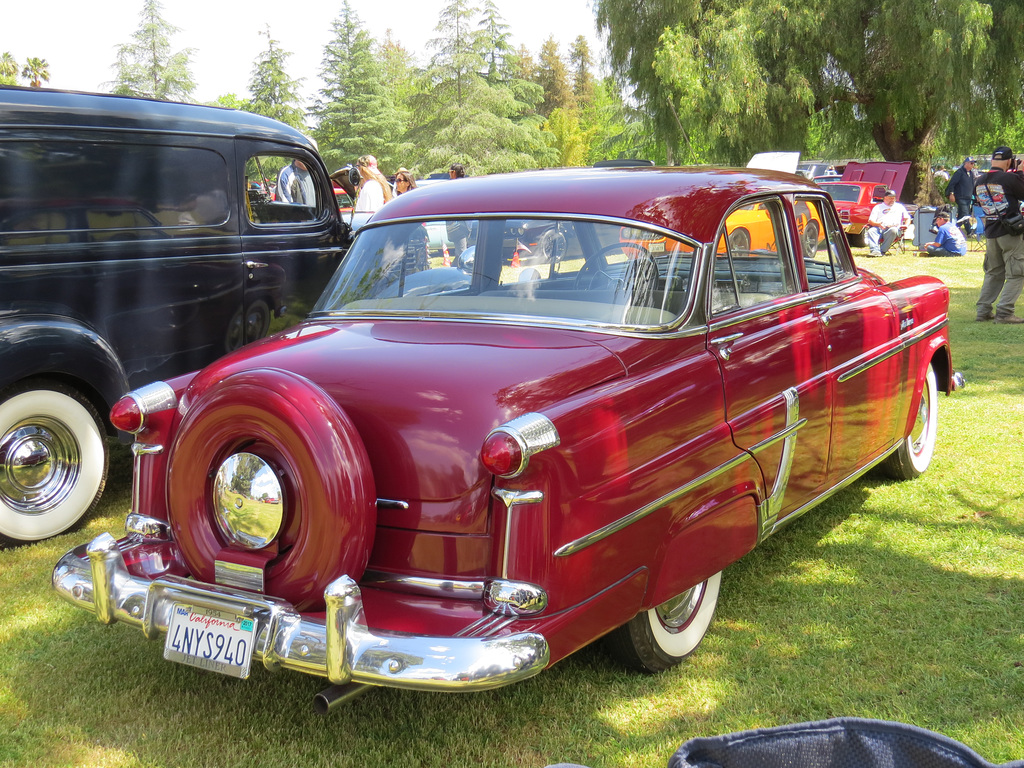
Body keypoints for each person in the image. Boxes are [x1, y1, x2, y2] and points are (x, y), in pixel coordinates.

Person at [972, 145, 1024, 324]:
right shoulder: (1010, 178)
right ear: (1009, 161)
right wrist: (1021, 173)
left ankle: (983, 310)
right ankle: (1005, 312)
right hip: (1010, 232)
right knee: (1017, 272)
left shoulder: (979, 180)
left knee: (993, 272)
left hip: (991, 231)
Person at [865, 188, 909, 257]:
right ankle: (875, 251)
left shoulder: (899, 207)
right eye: (890, 198)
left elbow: (907, 218)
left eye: (893, 198)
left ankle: (882, 251)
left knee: (893, 230)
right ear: (885, 198)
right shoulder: (878, 207)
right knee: (871, 231)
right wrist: (878, 224)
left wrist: (906, 225)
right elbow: (871, 221)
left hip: (894, 229)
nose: (892, 200)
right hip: (879, 228)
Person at [945, 156, 977, 236]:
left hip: (968, 197)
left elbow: (972, 186)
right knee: (966, 214)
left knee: (962, 216)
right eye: (971, 163)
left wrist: (976, 196)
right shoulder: (959, 172)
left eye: (973, 163)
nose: (973, 165)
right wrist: (951, 194)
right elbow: (952, 183)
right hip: (960, 197)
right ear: (965, 163)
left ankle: (954, 228)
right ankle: (969, 232)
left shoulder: (971, 173)